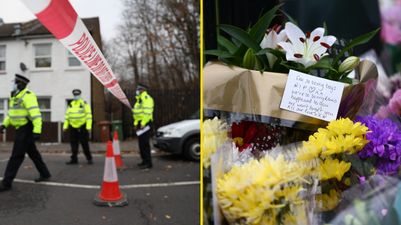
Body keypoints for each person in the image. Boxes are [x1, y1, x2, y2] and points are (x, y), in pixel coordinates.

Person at [0, 74, 51, 192]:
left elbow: (36, 115)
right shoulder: (16, 96)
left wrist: (37, 131)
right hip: (20, 129)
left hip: (25, 129)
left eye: (15, 82)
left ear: (20, 84)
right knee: (34, 154)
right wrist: (4, 125)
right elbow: (11, 113)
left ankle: (6, 183)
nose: (13, 84)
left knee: (16, 156)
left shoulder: (28, 96)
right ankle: (45, 173)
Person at [63, 89, 93, 165]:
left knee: (84, 143)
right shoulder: (71, 104)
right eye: (75, 95)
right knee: (73, 144)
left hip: (82, 126)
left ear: (80, 95)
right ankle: (74, 159)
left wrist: (88, 126)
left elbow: (88, 115)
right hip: (73, 127)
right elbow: (67, 116)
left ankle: (89, 158)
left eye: (77, 95)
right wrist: (65, 126)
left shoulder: (84, 103)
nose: (76, 96)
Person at [132, 84, 154, 169]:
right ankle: (144, 160)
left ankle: (148, 163)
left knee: (145, 143)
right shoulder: (139, 100)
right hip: (140, 124)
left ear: (143, 90)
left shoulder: (147, 99)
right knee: (141, 143)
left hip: (145, 123)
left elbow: (147, 113)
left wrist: (143, 123)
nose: (137, 91)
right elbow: (137, 114)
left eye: (138, 89)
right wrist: (135, 123)